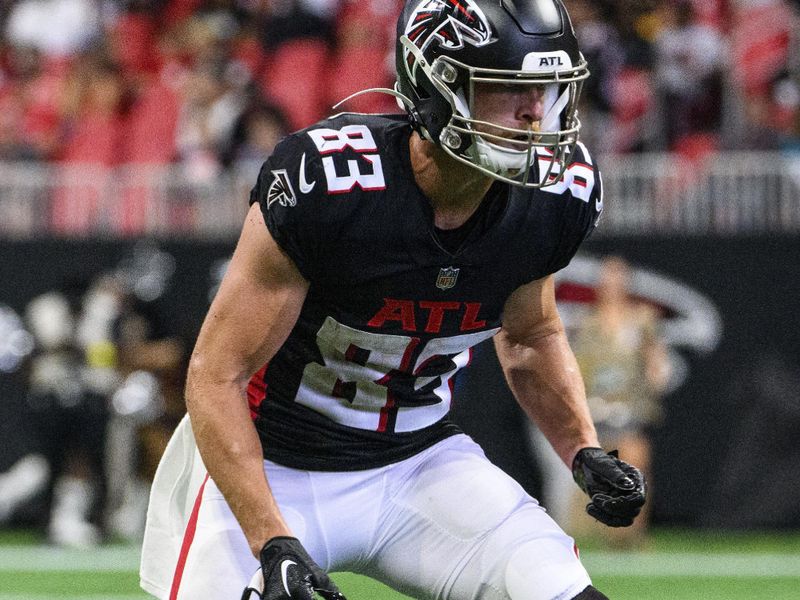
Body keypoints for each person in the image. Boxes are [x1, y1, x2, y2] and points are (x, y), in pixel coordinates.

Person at [140, 2, 646, 599]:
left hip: (418, 462)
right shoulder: (329, 185)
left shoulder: (552, 197)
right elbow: (215, 375)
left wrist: (581, 449)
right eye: (511, 89)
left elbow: (532, 336)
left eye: (548, 89)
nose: (539, 114)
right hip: (272, 466)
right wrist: (271, 540)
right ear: (439, 84)